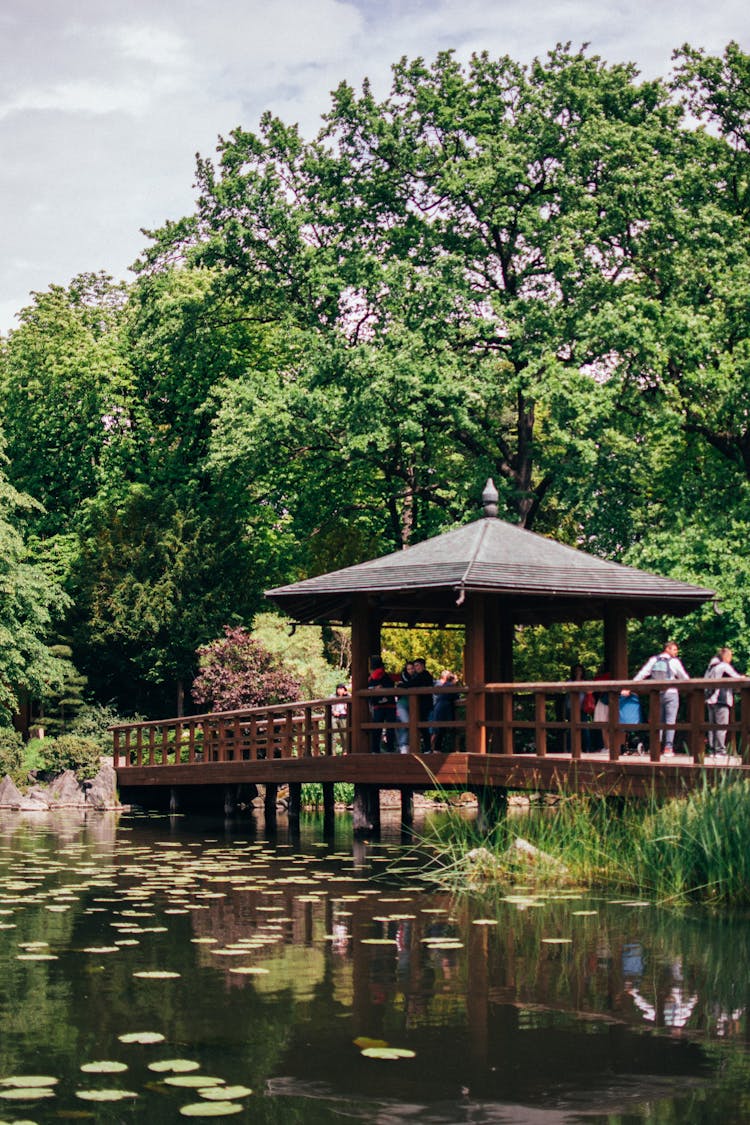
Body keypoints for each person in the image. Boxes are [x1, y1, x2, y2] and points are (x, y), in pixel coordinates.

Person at [632, 640, 689, 756]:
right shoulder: (674, 662)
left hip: (656, 694)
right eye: (674, 649)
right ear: (667, 649)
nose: (676, 652)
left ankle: (655, 747)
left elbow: (643, 673)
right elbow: (684, 677)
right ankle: (668, 748)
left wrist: (631, 685)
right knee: (670, 721)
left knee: (658, 721)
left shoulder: (654, 660)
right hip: (671, 693)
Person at [704, 647, 743, 755]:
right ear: (725, 656)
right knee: (722, 727)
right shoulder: (724, 666)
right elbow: (737, 678)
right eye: (730, 656)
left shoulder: (711, 667)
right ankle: (720, 751)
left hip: (710, 699)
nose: (731, 658)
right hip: (721, 699)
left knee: (712, 726)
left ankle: (712, 750)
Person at [367, 656, 396, 753]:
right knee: (389, 728)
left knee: (377, 728)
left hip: (379, 705)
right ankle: (390, 749)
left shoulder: (371, 678)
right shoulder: (385, 676)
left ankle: (375, 749)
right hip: (388, 705)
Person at [408, 658, 434, 753]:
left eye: (417, 665)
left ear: (423, 665)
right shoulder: (419, 676)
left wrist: (402, 685)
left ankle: (427, 748)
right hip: (420, 704)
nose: (415, 668)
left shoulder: (425, 675)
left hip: (425, 704)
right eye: (415, 666)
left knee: (423, 725)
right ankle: (426, 747)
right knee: (421, 726)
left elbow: (413, 684)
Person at [430, 670, 457, 752]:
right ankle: (433, 748)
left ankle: (433, 749)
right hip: (444, 709)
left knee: (438, 730)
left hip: (439, 708)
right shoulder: (450, 686)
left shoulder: (444, 685)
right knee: (439, 730)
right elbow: (456, 696)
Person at [395, 661, 415, 753]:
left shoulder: (417, 678)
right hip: (402, 703)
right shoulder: (403, 678)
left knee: (413, 724)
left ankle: (410, 745)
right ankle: (403, 745)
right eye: (408, 669)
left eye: (412, 668)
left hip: (414, 704)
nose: (410, 671)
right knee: (405, 723)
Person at [331, 683, 349, 754]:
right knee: (333, 736)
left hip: (343, 717)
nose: (339, 690)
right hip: (334, 717)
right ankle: (333, 753)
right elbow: (330, 706)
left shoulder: (347, 696)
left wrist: (346, 695)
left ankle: (345, 752)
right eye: (338, 688)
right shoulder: (333, 696)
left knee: (344, 736)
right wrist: (333, 711)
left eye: (341, 689)